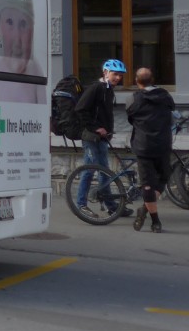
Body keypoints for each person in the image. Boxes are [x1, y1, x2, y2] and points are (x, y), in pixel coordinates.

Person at [74, 59, 128, 215]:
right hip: (91, 137)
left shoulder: (108, 89)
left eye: (120, 75)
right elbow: (80, 110)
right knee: (89, 170)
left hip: (102, 138)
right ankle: (81, 205)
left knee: (105, 172)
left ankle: (111, 206)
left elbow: (104, 113)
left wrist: (108, 131)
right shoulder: (96, 88)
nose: (118, 78)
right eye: (115, 74)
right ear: (106, 72)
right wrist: (96, 127)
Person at [126, 67, 174, 233]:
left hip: (143, 145)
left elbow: (130, 117)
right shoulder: (165, 95)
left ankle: (154, 220)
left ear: (136, 81)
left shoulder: (133, 98)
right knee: (164, 176)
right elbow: (171, 110)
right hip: (163, 144)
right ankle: (149, 212)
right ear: (152, 79)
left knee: (147, 184)